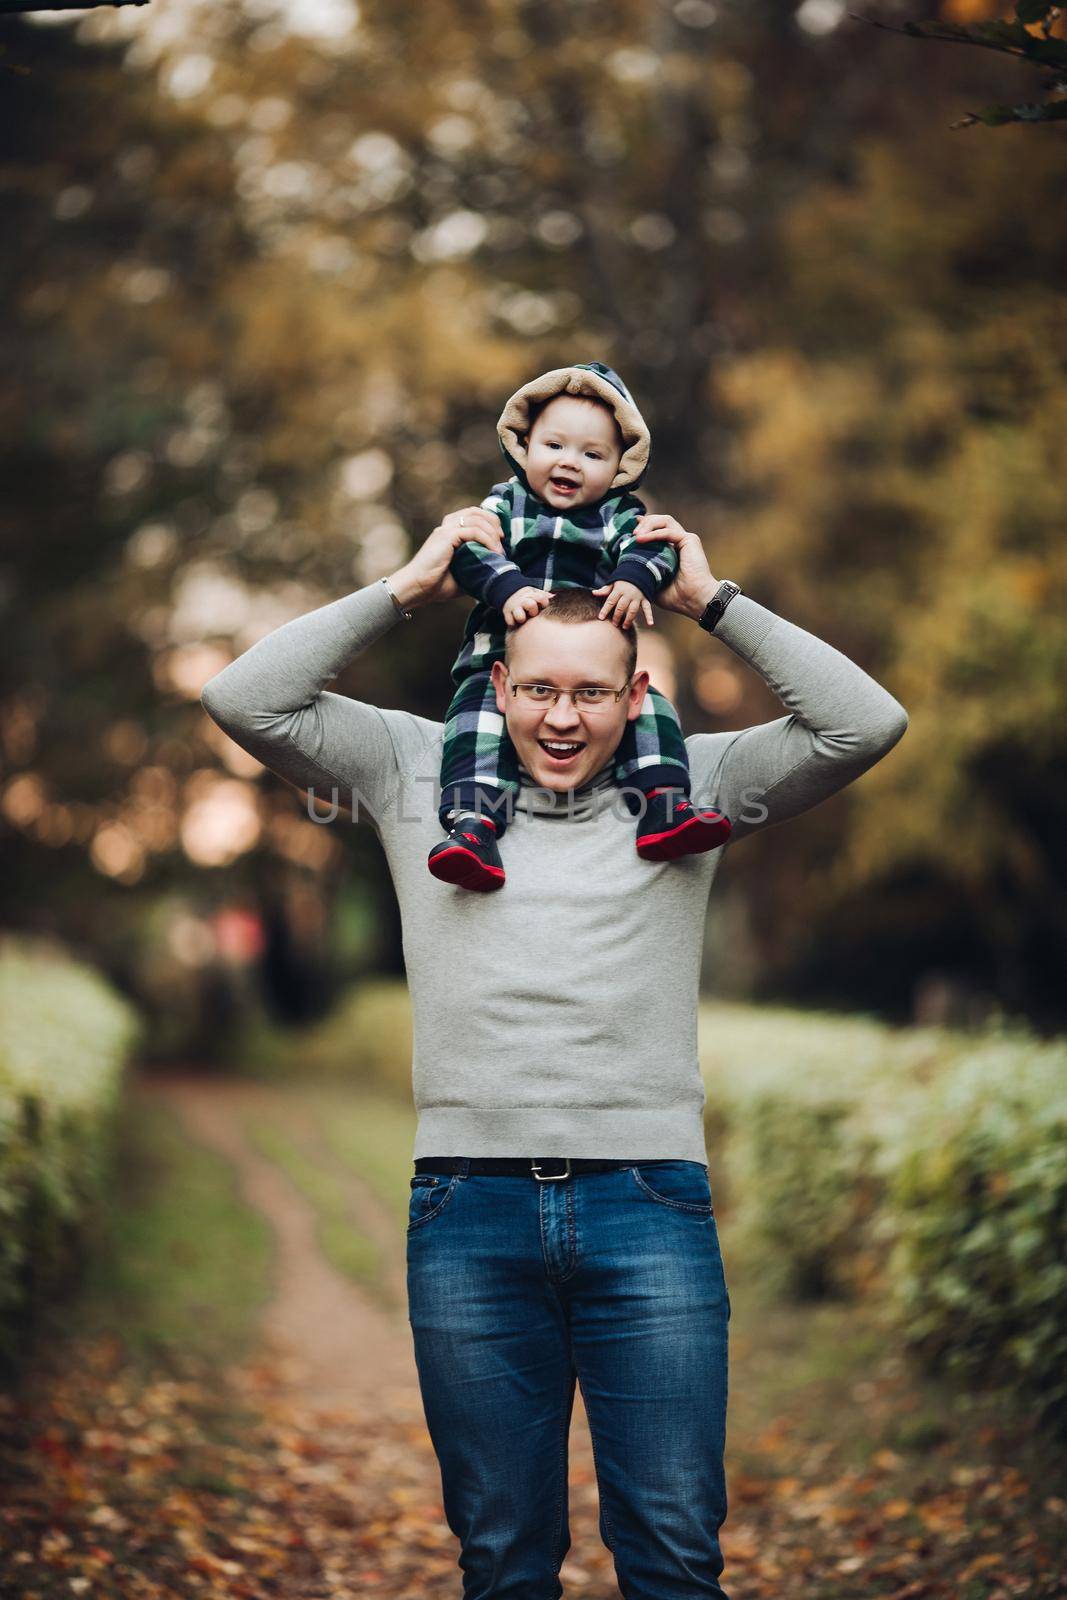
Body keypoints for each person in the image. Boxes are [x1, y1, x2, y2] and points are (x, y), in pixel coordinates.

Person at [199, 506, 908, 1600]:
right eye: (536, 689)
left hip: (649, 1207)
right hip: (465, 1216)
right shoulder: (410, 769)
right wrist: (410, 584)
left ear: (635, 696)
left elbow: (863, 724)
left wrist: (707, 602)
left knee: (672, 1555)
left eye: (590, 692)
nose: (561, 717)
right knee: (502, 1560)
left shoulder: (694, 789)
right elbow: (242, 697)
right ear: (495, 687)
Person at [429, 361, 731, 891]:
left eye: (592, 455)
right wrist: (505, 586)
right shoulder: (506, 503)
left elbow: (654, 547)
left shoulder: (618, 514)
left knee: (652, 710)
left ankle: (663, 804)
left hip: (597, 661)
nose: (570, 462)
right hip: (495, 661)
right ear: (524, 446)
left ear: (619, 466)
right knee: (475, 725)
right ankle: (473, 827)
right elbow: (469, 549)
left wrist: (634, 579)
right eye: (555, 446)